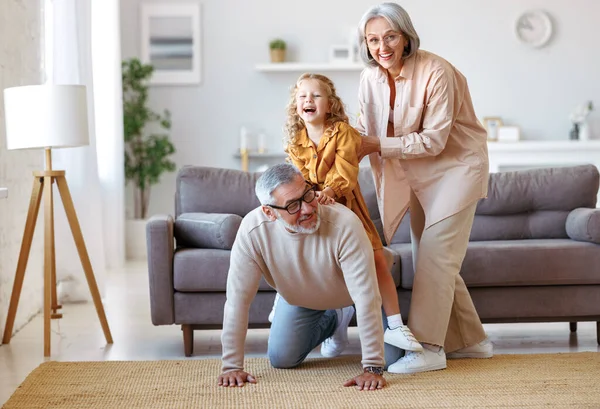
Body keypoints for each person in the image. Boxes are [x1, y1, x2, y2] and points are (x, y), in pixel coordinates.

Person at [354, 2, 493, 374]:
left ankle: (430, 349)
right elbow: (363, 129)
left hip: (457, 168)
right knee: (432, 257)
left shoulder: (436, 71)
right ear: (365, 44)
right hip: (417, 173)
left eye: (390, 37)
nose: (382, 47)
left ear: (406, 37)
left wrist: (374, 145)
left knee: (435, 256)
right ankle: (472, 341)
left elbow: (433, 140)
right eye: (373, 40)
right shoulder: (369, 78)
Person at [272, 72, 421, 356]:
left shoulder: (343, 132)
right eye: (302, 96)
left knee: (376, 259)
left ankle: (396, 325)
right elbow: (298, 178)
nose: (309, 100)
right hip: (312, 209)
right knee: (297, 252)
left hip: (346, 207)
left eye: (316, 95)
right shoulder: (295, 142)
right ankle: (314, 309)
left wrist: (327, 191)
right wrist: (310, 195)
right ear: (296, 107)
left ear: (330, 104)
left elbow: (346, 172)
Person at [218, 163, 387, 390]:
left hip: (366, 291)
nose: (307, 208)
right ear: (269, 212)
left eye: (307, 195)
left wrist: (373, 367)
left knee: (392, 360)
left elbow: (367, 298)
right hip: (305, 297)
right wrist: (231, 366)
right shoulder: (252, 231)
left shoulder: (344, 224)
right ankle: (336, 319)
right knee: (282, 359)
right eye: (293, 206)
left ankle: (345, 311)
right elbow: (237, 301)